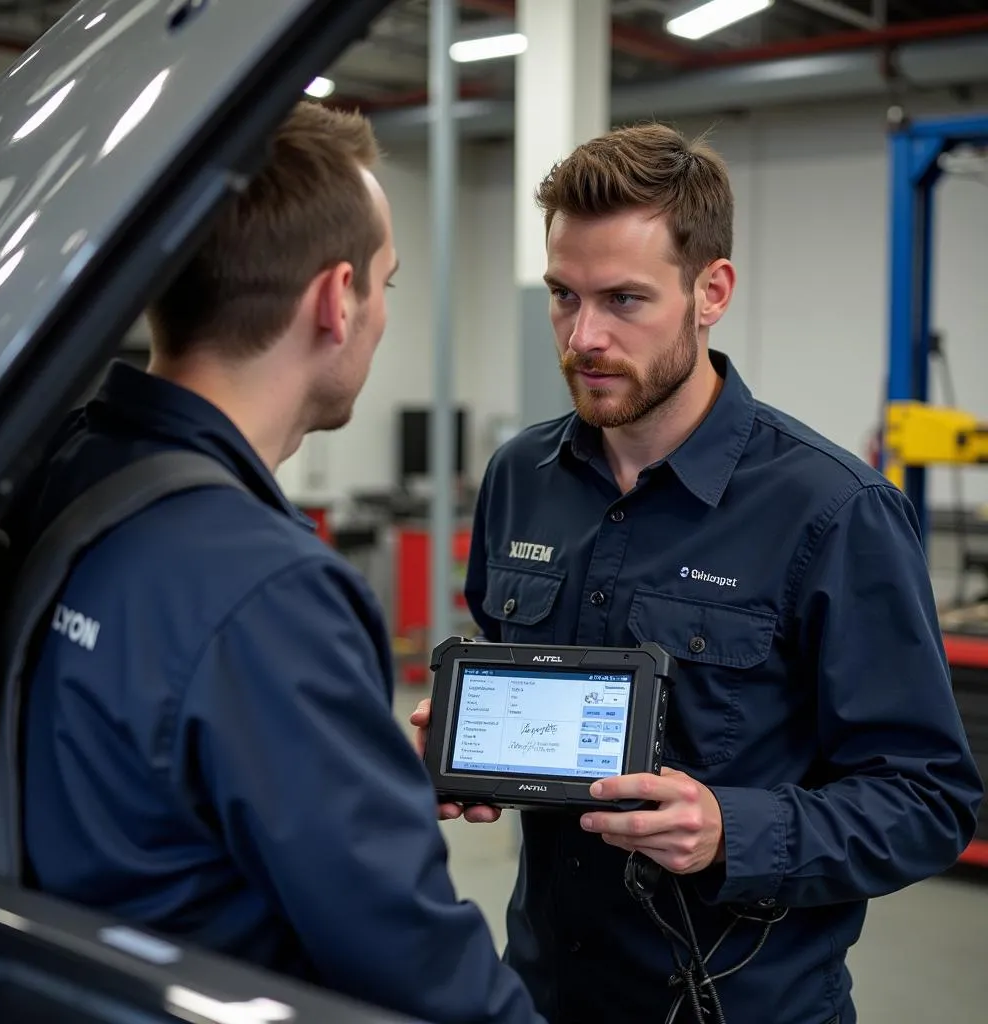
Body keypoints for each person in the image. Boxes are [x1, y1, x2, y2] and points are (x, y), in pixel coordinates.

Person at [412, 122, 983, 1024]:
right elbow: (507, 657)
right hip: (543, 993)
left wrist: (731, 830)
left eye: (624, 300)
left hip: (740, 1003)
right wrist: (469, 738)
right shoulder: (519, 478)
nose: (583, 336)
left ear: (711, 290)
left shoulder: (833, 511)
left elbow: (927, 801)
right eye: (563, 295)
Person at [15, 101, 544, 1024]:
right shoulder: (269, 590)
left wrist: (350, 759)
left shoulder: (62, 470)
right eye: (387, 284)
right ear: (336, 300)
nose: (382, 315)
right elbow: (413, 959)